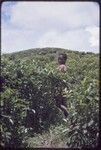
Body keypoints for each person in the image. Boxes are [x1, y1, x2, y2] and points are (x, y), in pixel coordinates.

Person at [54, 53, 69, 122]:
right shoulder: (65, 66)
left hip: (60, 87)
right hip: (64, 87)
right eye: (59, 58)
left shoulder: (61, 66)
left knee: (58, 104)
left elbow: (59, 77)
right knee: (64, 103)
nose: (59, 60)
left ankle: (69, 116)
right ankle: (68, 119)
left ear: (65, 60)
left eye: (61, 59)